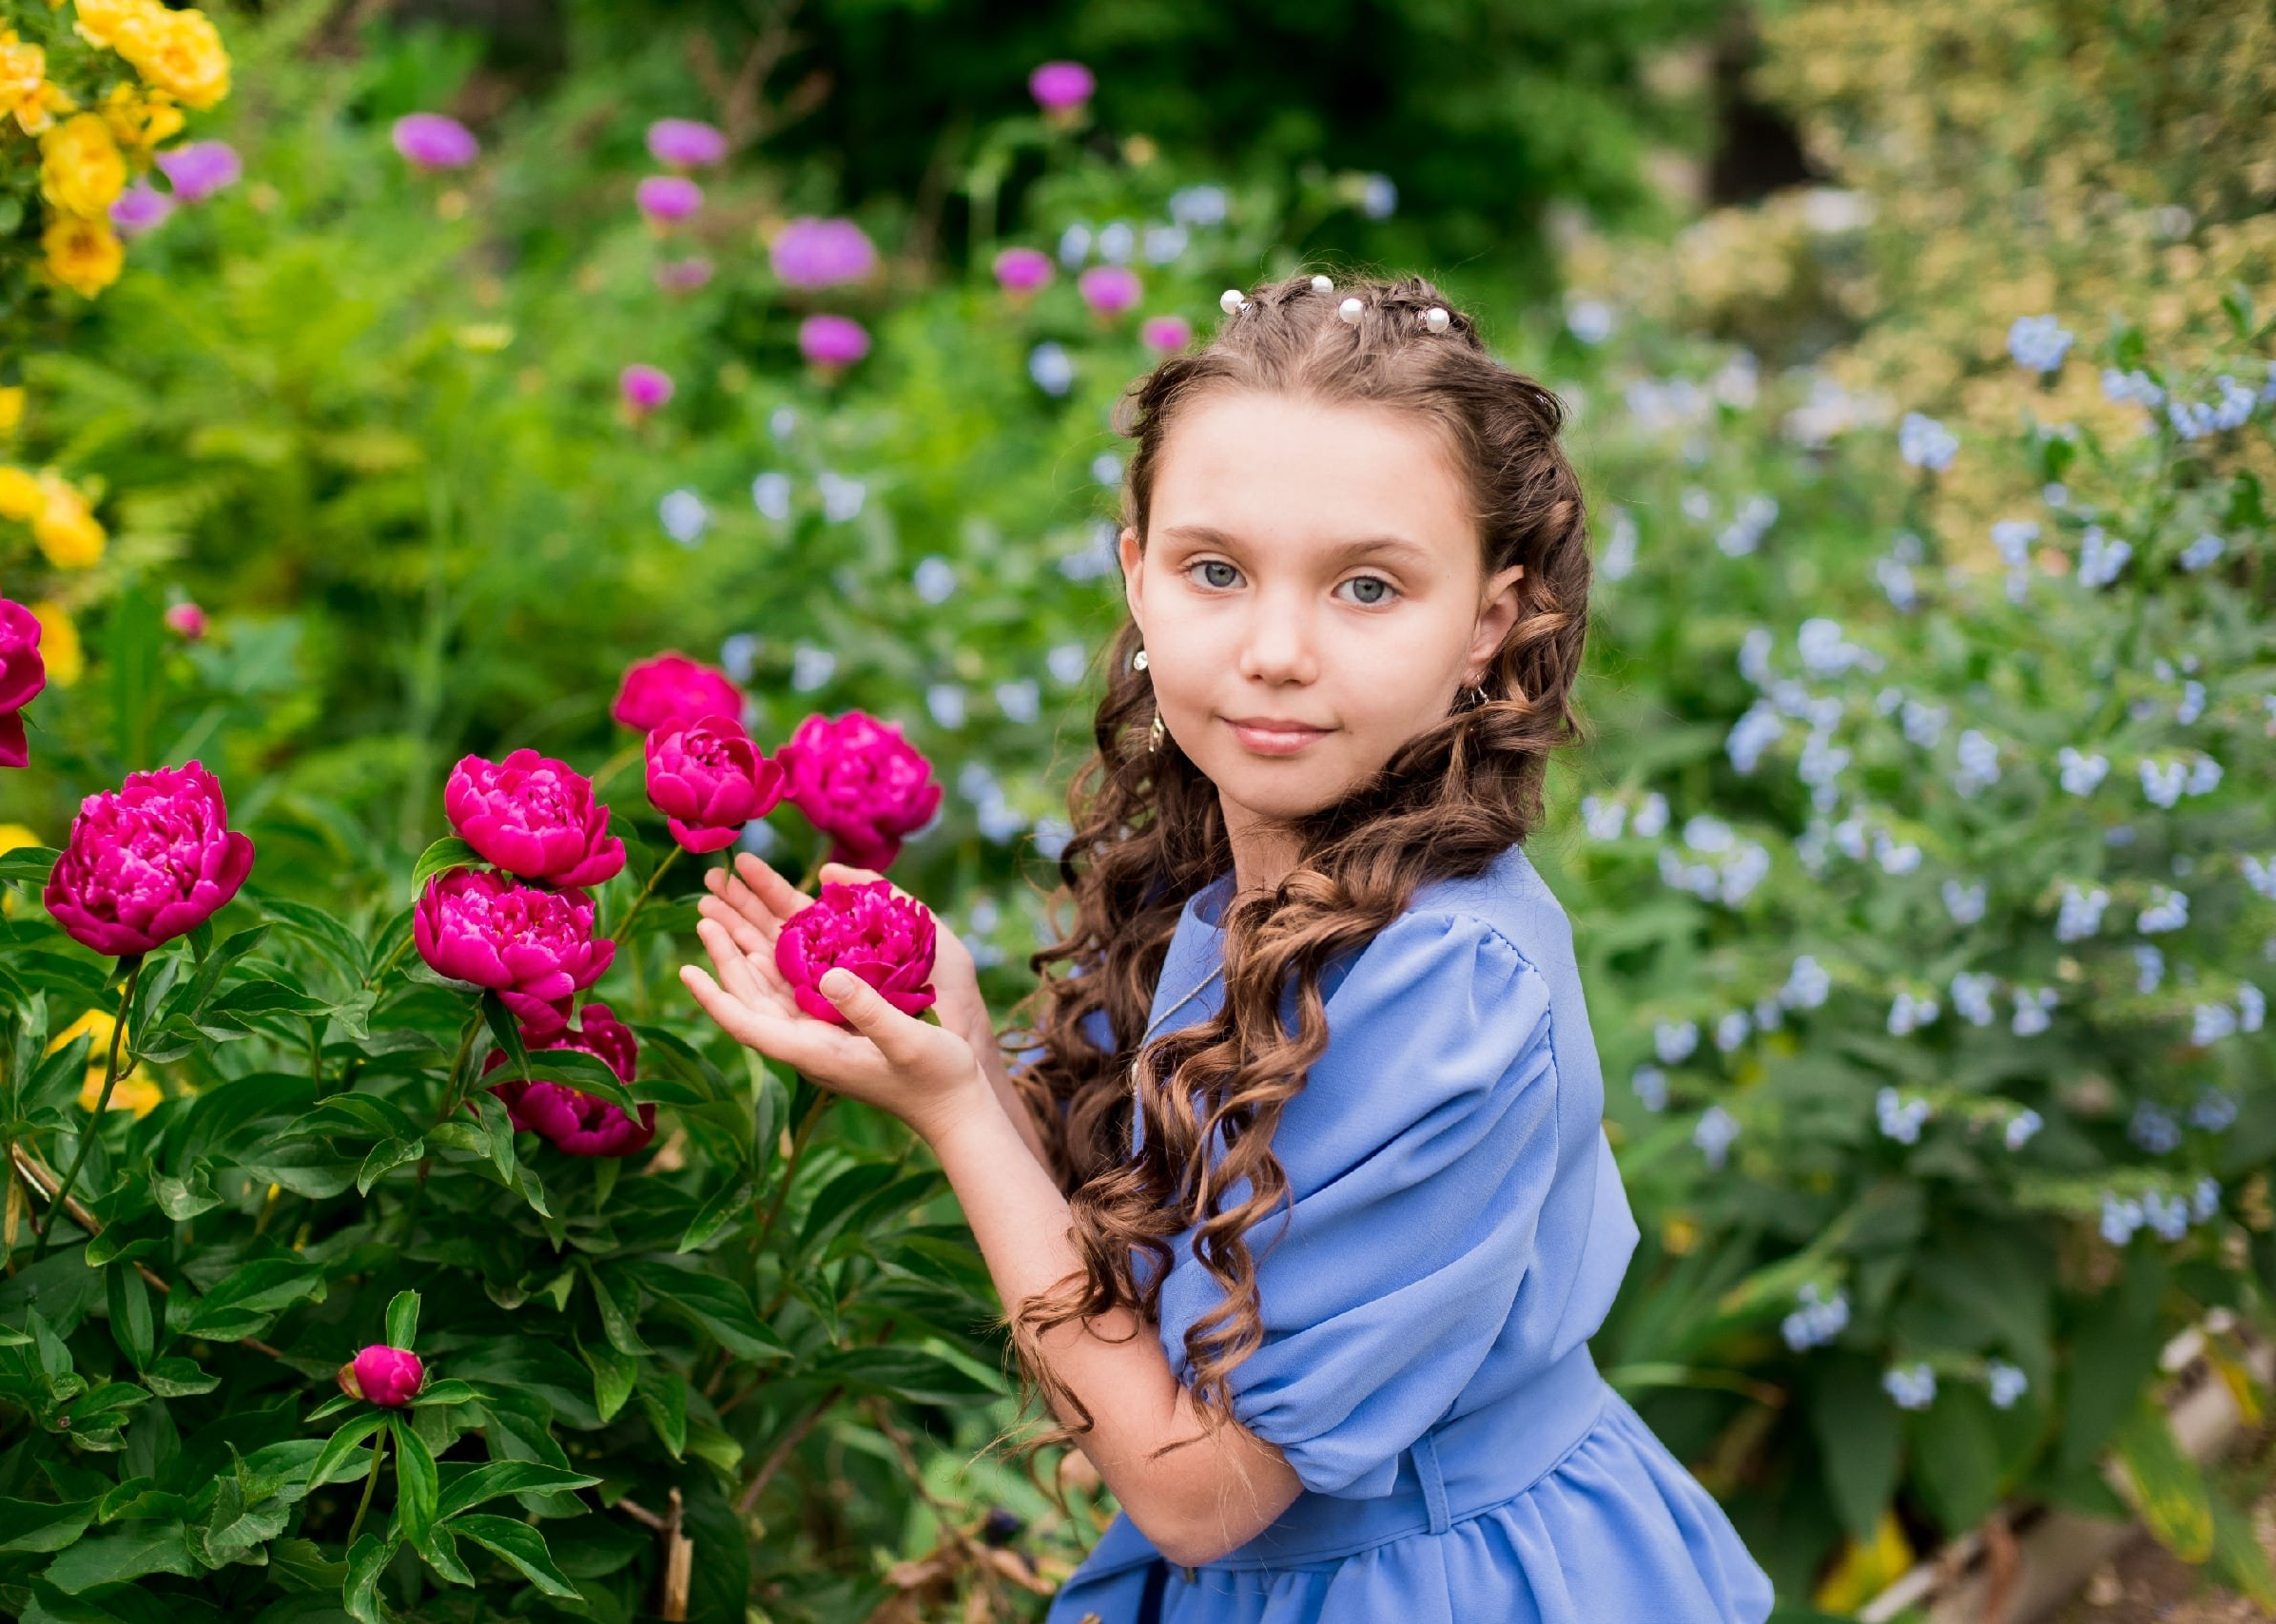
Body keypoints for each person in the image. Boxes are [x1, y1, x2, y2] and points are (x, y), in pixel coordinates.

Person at [678, 271, 1777, 1622]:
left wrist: (959, 1115)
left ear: (1488, 624)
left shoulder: (1444, 985)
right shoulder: (1247, 884)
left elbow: (1204, 1494)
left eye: (1367, 587)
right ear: (1135, 578)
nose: (1273, 650)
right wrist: (962, 1048)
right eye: (1216, 570)